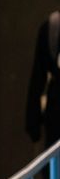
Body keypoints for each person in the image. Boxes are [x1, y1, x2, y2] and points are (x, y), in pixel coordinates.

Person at [27, 10, 60, 152]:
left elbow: (38, 77)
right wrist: (32, 121)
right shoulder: (53, 27)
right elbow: (38, 76)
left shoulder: (52, 26)